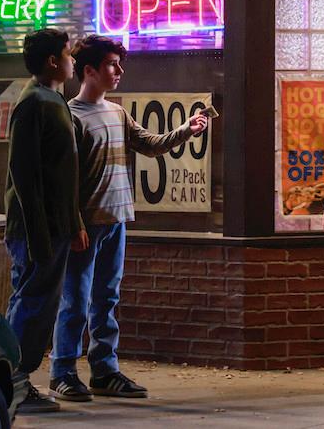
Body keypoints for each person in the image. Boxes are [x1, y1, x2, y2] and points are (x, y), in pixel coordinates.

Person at [49, 35, 209, 402]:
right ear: (89, 70)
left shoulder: (117, 112)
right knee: (74, 301)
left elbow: (150, 145)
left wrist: (186, 129)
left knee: (105, 298)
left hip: (117, 219)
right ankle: (62, 372)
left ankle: (103, 370)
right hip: (86, 225)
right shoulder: (70, 116)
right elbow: (63, 179)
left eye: (119, 64)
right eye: (111, 64)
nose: (119, 70)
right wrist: (73, 224)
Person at [5, 28, 89, 414]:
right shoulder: (35, 102)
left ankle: (14, 381)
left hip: (54, 228)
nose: (74, 61)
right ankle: (14, 383)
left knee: (38, 303)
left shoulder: (53, 99)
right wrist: (40, 237)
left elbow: (60, 176)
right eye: (69, 55)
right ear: (54, 61)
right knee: (32, 304)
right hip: (36, 231)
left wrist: (72, 224)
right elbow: (25, 175)